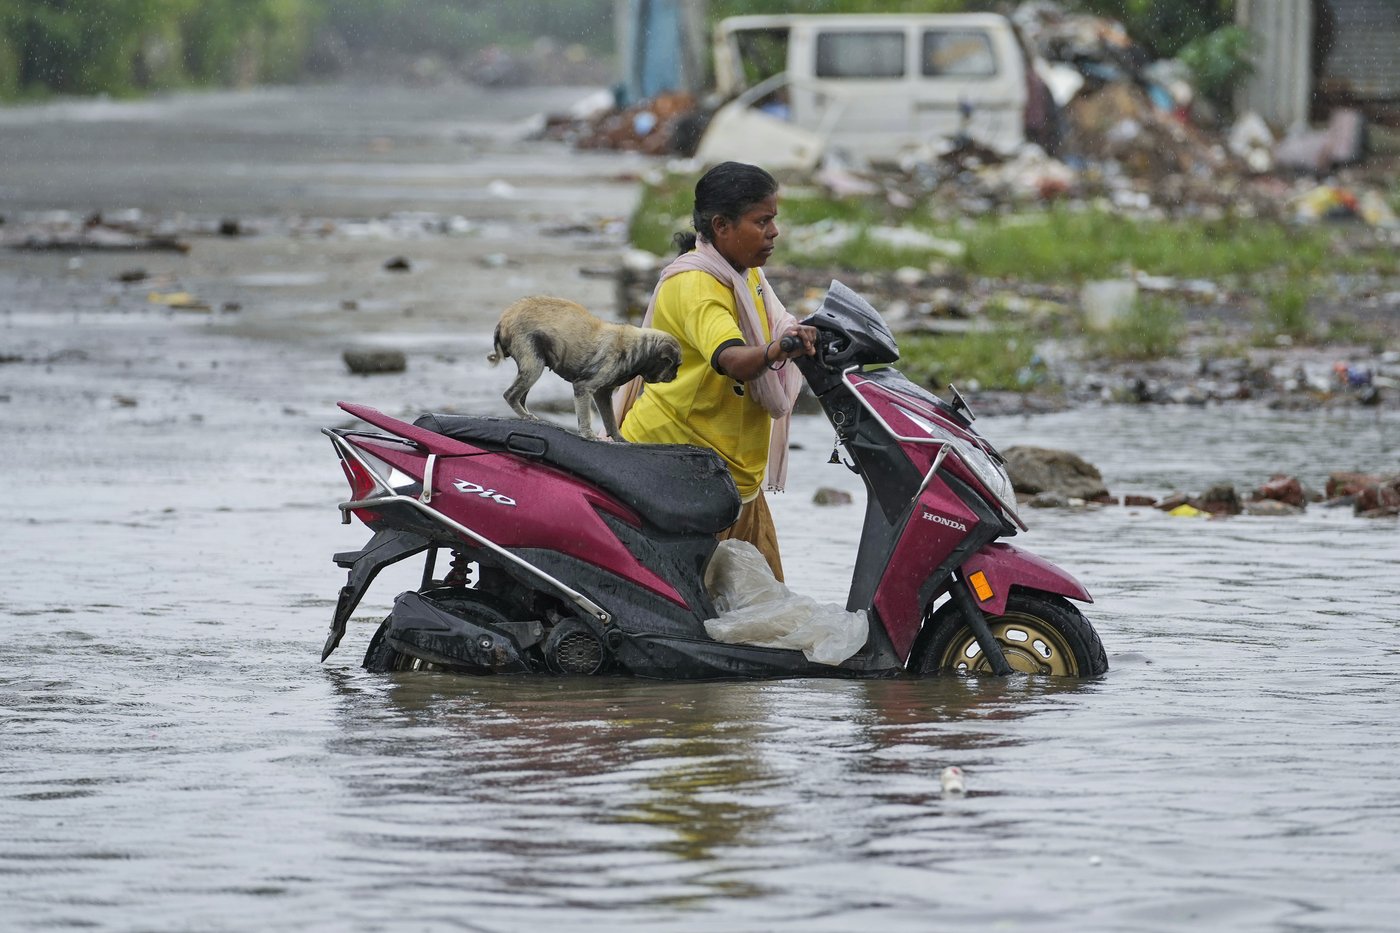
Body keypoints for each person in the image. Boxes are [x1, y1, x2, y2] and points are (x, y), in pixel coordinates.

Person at [614, 161, 817, 582]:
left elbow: (778, 324)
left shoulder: (748, 275)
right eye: (762, 221)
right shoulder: (697, 286)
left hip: (736, 477)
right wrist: (780, 349)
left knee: (765, 612)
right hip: (681, 474)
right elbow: (733, 360)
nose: (773, 232)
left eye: (773, 220)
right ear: (722, 226)